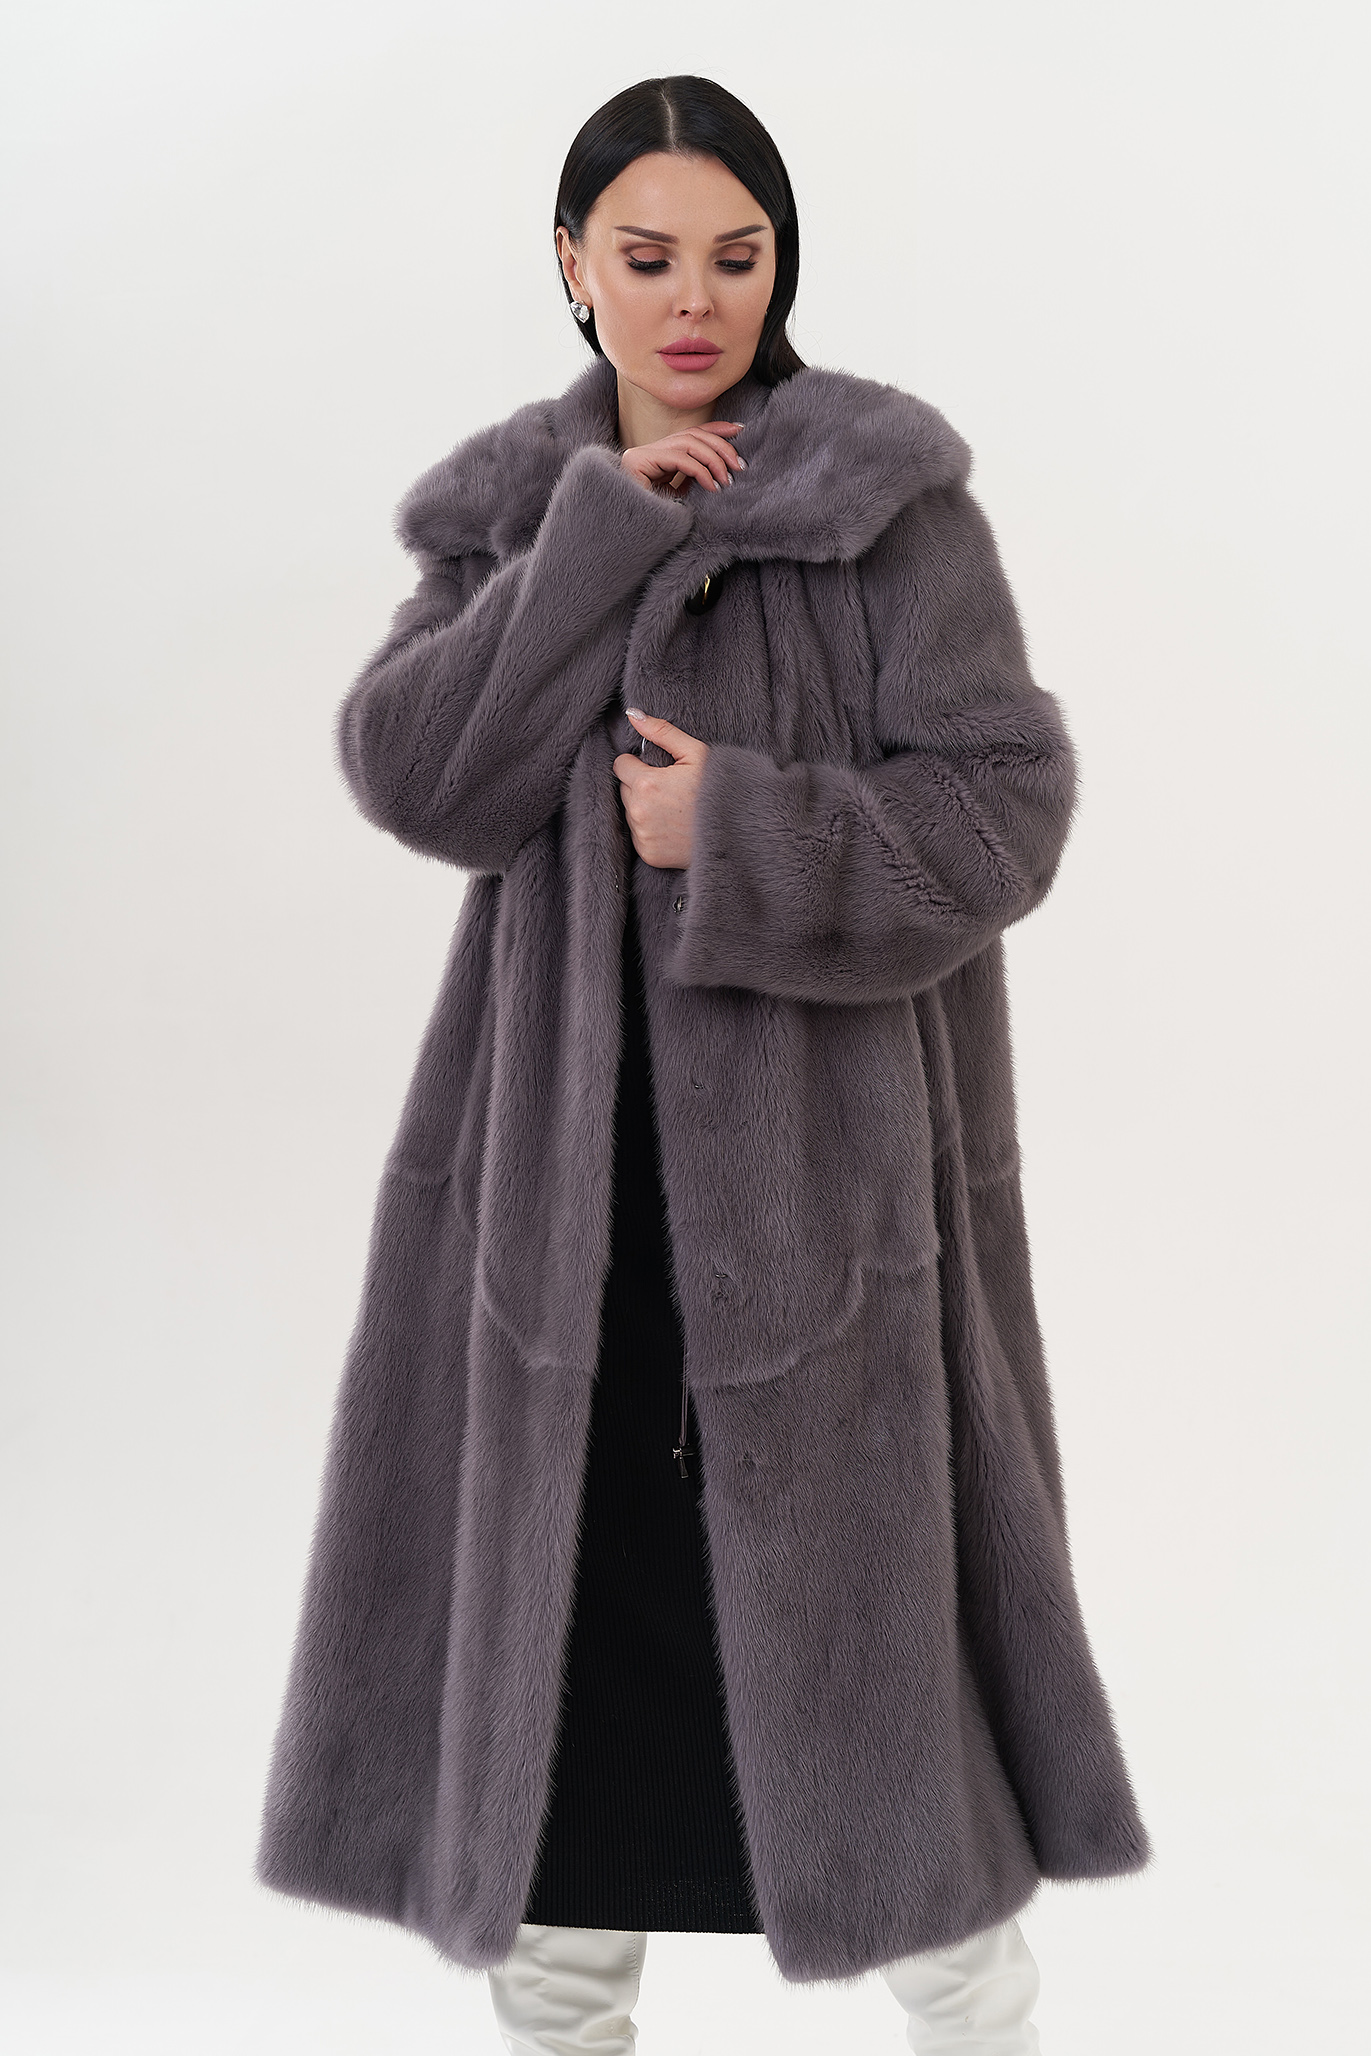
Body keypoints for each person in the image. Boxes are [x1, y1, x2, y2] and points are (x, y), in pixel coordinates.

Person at [254, 74, 1152, 2056]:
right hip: (561, 1229)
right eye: (646, 256)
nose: (692, 301)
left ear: (779, 265)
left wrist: (743, 827)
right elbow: (422, 777)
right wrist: (594, 540)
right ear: (571, 265)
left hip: (826, 1226)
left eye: (734, 258)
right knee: (560, 1745)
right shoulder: (512, 513)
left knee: (899, 1765)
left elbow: (1002, 811)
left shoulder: (882, 508)